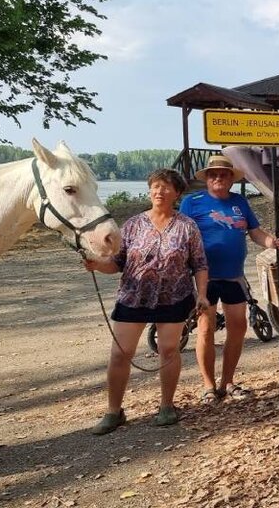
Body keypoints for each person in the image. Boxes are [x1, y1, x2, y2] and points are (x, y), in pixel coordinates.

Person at [84, 169, 209, 434]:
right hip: (134, 296)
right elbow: (117, 263)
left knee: (168, 351)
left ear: (177, 193)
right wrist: (96, 264)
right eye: (155, 186)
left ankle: (166, 406)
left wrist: (202, 294)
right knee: (120, 353)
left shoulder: (188, 226)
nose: (159, 192)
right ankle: (113, 411)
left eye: (165, 187)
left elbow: (199, 264)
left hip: (173, 297)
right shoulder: (132, 224)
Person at [180, 155, 279, 404]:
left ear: (231, 179)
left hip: (233, 276)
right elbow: (181, 236)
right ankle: (208, 386)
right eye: (213, 174)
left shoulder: (240, 202)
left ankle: (228, 382)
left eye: (224, 174)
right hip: (203, 278)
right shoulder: (191, 203)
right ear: (206, 178)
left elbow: (255, 231)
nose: (218, 178)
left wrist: (271, 241)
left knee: (238, 327)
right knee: (206, 329)